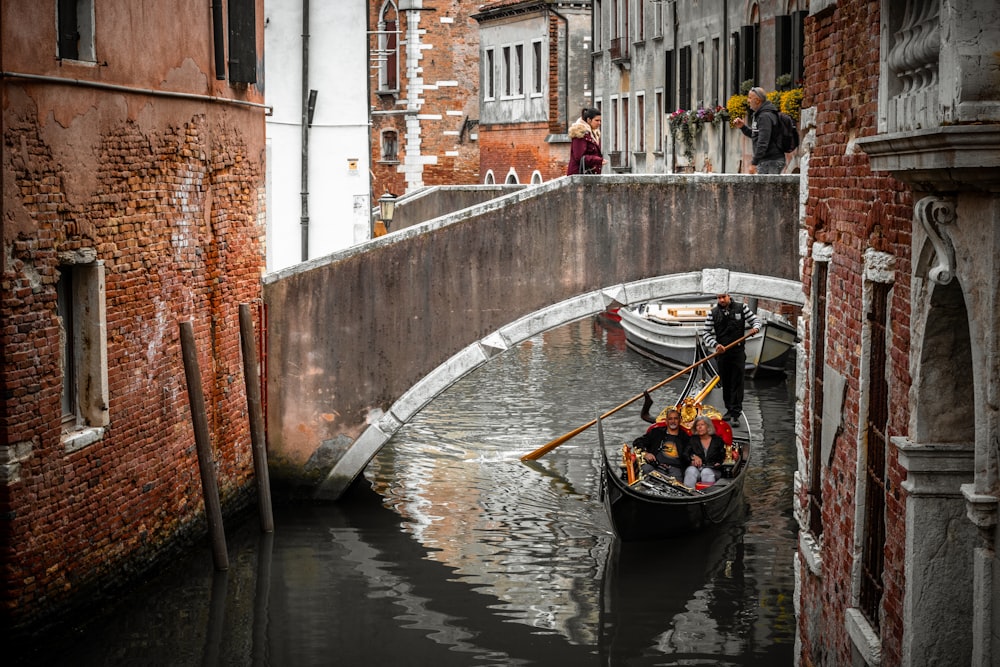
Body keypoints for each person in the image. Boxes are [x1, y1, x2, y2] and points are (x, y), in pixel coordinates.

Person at [702, 293, 761, 422]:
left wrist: (755, 329)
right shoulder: (713, 313)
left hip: (738, 352)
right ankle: (729, 409)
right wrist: (716, 345)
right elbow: (706, 333)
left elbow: (756, 321)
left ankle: (736, 413)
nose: (721, 300)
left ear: (729, 296)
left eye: (723, 297)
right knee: (726, 382)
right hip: (722, 353)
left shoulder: (742, 308)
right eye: (719, 298)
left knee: (737, 382)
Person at [732, 86, 787, 174]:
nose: (748, 101)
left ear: (757, 100)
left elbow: (763, 142)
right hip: (767, 161)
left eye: (750, 98)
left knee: (767, 188)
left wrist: (754, 163)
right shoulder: (760, 115)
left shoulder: (764, 116)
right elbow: (756, 135)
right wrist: (743, 127)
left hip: (771, 161)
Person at [632, 408, 688, 481]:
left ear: (679, 420)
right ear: (666, 421)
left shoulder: (685, 437)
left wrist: (694, 457)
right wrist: (646, 453)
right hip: (656, 466)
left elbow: (691, 451)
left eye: (675, 419)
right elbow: (638, 442)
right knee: (645, 468)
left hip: (675, 469)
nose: (673, 421)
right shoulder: (656, 433)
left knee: (677, 483)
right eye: (670, 419)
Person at [683, 415, 727, 488]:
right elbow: (685, 454)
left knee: (706, 472)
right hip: (697, 468)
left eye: (702, 425)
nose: (699, 427)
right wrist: (692, 457)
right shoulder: (692, 440)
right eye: (697, 425)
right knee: (690, 471)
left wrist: (718, 463)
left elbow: (722, 456)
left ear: (708, 426)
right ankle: (688, 494)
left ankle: (707, 494)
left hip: (713, 470)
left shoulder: (717, 440)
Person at [566, 108, 608, 175]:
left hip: (589, 174)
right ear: (589, 120)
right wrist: (598, 160)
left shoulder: (593, 134)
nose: (599, 123)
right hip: (579, 175)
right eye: (597, 120)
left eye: (600, 121)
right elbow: (579, 157)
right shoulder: (580, 134)